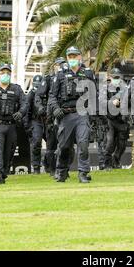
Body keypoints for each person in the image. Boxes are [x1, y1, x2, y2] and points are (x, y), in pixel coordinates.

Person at [48, 46, 95, 183]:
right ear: (67, 58)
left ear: (80, 57)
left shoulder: (87, 73)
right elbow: (52, 96)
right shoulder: (60, 74)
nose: (73, 59)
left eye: (75, 56)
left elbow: (93, 95)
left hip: (82, 114)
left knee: (83, 144)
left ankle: (83, 173)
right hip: (66, 115)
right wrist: (56, 108)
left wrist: (93, 115)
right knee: (64, 147)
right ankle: (62, 171)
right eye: (70, 57)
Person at [35, 57, 68, 176]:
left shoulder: (68, 78)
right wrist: (40, 108)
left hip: (65, 114)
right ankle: (51, 168)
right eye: (58, 65)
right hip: (51, 115)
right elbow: (38, 95)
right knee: (51, 144)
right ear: (54, 66)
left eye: (63, 64)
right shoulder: (49, 79)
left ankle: (64, 169)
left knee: (65, 144)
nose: (60, 67)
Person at [103, 68, 130, 170]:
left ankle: (116, 160)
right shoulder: (105, 88)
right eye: (114, 77)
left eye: (118, 77)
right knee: (109, 142)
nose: (116, 79)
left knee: (122, 144)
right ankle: (107, 164)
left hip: (122, 119)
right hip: (109, 119)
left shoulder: (125, 88)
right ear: (110, 77)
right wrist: (111, 102)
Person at [24, 75, 44, 174]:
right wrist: (27, 126)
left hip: (48, 121)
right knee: (36, 143)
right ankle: (36, 167)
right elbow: (27, 110)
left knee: (53, 144)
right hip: (36, 121)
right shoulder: (31, 94)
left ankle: (50, 165)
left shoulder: (48, 91)